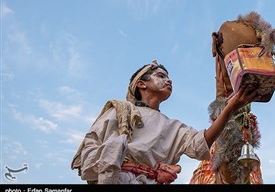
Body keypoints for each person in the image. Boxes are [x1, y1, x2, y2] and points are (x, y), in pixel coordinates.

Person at [71, 60, 258, 184]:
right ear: (141, 84)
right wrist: (113, 158)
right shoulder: (119, 111)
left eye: (168, 77)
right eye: (160, 76)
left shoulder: (174, 127)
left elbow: (202, 142)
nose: (168, 80)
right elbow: (88, 153)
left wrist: (229, 109)